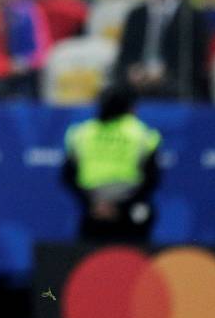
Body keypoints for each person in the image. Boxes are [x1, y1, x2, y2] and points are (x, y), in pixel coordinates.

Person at [63, 84, 161, 243]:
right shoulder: (141, 133)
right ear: (130, 108)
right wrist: (117, 208)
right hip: (126, 212)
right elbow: (152, 179)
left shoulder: (81, 133)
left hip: (94, 210)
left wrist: (94, 205)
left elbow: (67, 176)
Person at [114, 0, 211, 100]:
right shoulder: (136, 14)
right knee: (114, 94)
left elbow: (194, 58)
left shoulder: (190, 16)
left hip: (174, 80)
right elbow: (126, 52)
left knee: (179, 91)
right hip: (139, 78)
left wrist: (164, 72)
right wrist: (132, 70)